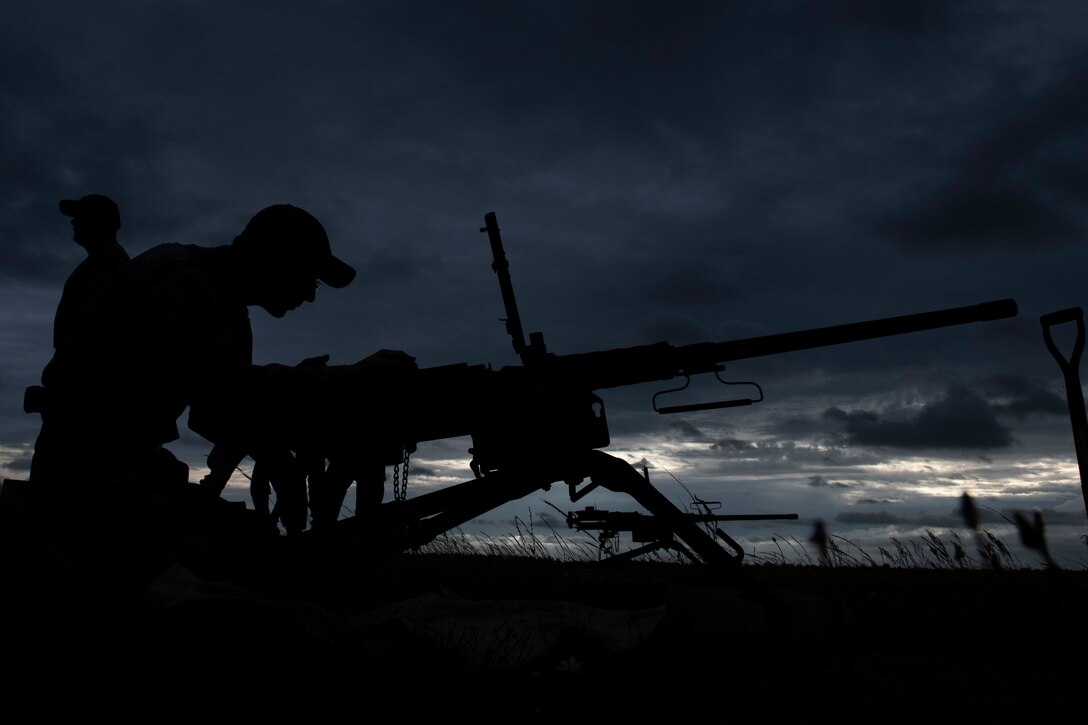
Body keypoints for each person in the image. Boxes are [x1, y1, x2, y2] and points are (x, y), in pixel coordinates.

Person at [23, 194, 129, 416]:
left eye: (80, 216)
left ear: (97, 222)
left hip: (83, 410)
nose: (73, 222)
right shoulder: (104, 264)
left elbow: (97, 341)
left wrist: (62, 394)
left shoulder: (108, 267)